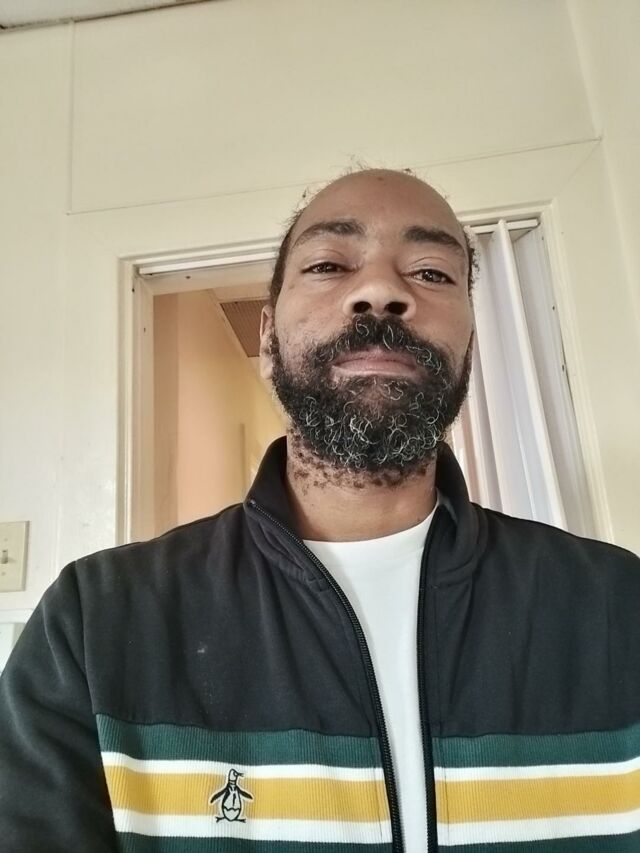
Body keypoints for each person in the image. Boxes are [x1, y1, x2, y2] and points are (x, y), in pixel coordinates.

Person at [1, 169, 639, 853]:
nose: (382, 290)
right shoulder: (95, 620)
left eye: (431, 272)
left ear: (469, 346)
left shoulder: (617, 603)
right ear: (268, 336)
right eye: (330, 264)